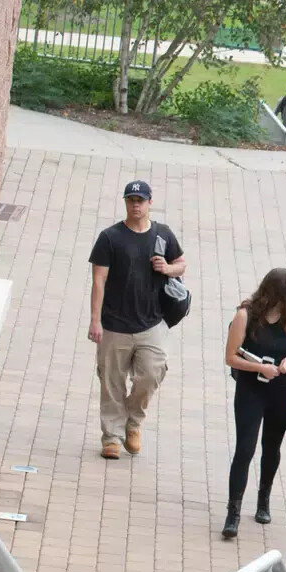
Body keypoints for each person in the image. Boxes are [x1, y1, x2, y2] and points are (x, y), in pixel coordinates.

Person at [88, 180, 185, 460]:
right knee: (111, 381)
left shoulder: (162, 235)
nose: (135, 204)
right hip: (114, 325)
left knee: (151, 374)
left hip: (152, 323)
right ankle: (112, 437)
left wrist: (167, 268)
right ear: (125, 202)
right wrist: (95, 321)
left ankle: (133, 422)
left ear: (150, 202)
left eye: (140, 200)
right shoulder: (110, 238)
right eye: (131, 199)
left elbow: (181, 264)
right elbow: (98, 281)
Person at [221, 268, 286, 539]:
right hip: (251, 389)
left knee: (271, 447)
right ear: (277, 293)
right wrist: (258, 366)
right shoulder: (245, 316)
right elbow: (230, 357)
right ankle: (233, 510)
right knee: (245, 449)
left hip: (281, 390)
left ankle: (263, 500)